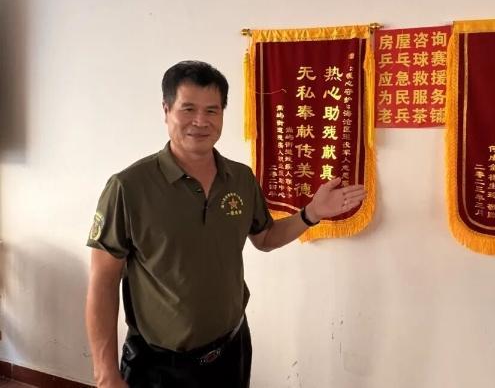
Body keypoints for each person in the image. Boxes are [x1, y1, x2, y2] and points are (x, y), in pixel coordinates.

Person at [85, 60, 366, 388]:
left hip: (232, 351)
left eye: (212, 110)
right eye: (188, 109)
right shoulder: (129, 187)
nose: (200, 121)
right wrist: (105, 373)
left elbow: (265, 237)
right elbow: (103, 282)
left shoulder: (240, 178)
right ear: (166, 110)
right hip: (159, 366)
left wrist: (311, 213)